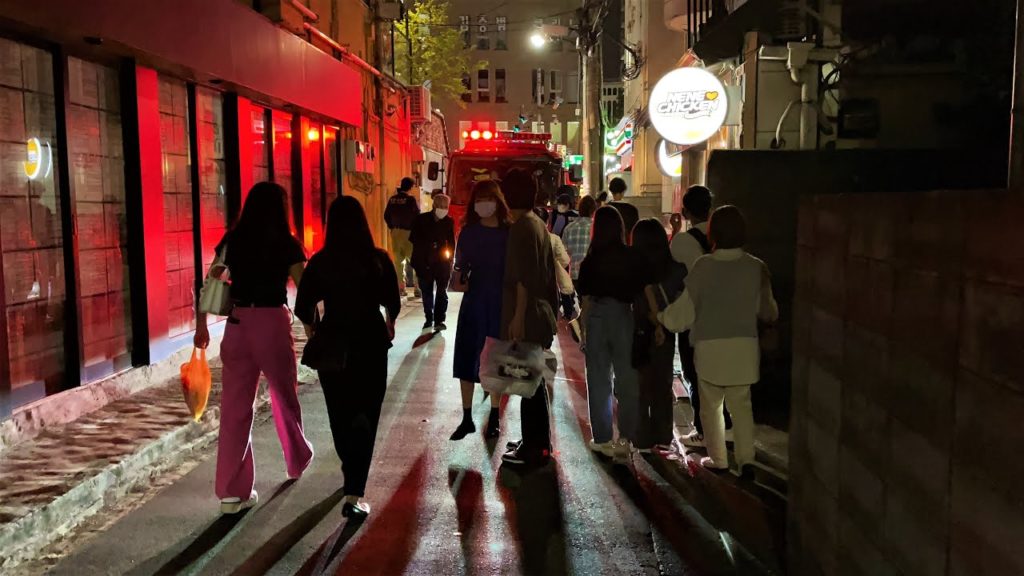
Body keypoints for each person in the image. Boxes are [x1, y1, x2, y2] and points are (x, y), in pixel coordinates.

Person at [195, 182, 314, 515]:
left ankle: (231, 493)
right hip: (271, 323)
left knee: (235, 408)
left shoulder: (233, 240)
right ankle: (297, 459)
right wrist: (312, 330)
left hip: (237, 325)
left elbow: (211, 281)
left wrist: (201, 325)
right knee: (285, 396)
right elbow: (305, 291)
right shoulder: (288, 243)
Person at [295, 196, 400, 519]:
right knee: (367, 413)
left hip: (333, 342)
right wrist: (389, 323)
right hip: (370, 342)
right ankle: (355, 490)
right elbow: (392, 301)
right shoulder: (378, 259)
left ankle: (349, 468)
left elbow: (303, 305)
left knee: (340, 413)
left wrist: (313, 328)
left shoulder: (321, 261)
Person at [659, 205, 779, 474]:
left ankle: (719, 459)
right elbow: (769, 311)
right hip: (744, 348)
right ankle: (747, 459)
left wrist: (662, 317)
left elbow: (683, 313)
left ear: (713, 233)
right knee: (742, 408)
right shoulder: (756, 267)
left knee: (711, 408)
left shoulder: (704, 267)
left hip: (710, 349)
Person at [499, 169, 559, 468]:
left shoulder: (522, 227)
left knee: (528, 384)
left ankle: (535, 449)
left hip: (530, 314)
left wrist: (518, 317)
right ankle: (536, 442)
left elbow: (523, 278)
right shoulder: (535, 222)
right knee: (531, 381)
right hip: (539, 311)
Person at [577, 206, 647, 460]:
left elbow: (585, 299)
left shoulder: (591, 260)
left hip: (597, 316)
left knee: (598, 379)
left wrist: (584, 331)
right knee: (627, 378)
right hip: (624, 316)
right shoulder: (631, 257)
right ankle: (625, 438)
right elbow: (640, 292)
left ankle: (603, 438)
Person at [669, 185, 730, 447]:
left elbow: (672, 268)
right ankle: (725, 423)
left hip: (694, 316)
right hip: (724, 313)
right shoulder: (725, 238)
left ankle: (704, 431)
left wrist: (674, 231)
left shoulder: (683, 241)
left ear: (685, 212)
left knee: (694, 372)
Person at [450, 180, 510, 441]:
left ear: (498, 201)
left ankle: (495, 415)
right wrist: (459, 274)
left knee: (495, 359)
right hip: (474, 301)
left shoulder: (509, 232)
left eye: (488, 198)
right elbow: (459, 268)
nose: (484, 204)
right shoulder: (469, 232)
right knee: (467, 356)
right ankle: (466, 417)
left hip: (500, 302)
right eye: (479, 199)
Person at [631, 219, 687, 453]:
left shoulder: (632, 268)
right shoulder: (676, 270)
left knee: (639, 384)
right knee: (663, 383)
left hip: (638, 330)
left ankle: (641, 436)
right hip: (665, 330)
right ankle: (663, 435)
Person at [410, 193, 455, 331]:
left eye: (446, 207)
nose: (443, 209)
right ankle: (429, 318)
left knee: (442, 292)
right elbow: (414, 239)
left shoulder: (448, 221)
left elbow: (451, 242)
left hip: (442, 262)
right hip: (424, 261)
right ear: (434, 206)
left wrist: (450, 259)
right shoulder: (421, 219)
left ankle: (439, 320)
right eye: (441, 206)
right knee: (427, 292)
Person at [384, 177, 420, 295]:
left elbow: (386, 215)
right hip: (408, 233)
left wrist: (392, 227)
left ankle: (401, 288)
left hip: (395, 233)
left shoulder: (392, 199)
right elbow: (417, 216)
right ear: (410, 187)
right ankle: (417, 288)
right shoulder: (410, 200)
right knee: (415, 261)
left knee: (398, 261)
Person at [607, 177, 639, 242]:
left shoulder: (604, 209)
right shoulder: (632, 210)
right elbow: (635, 232)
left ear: (611, 191)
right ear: (623, 191)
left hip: (609, 245)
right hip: (626, 245)